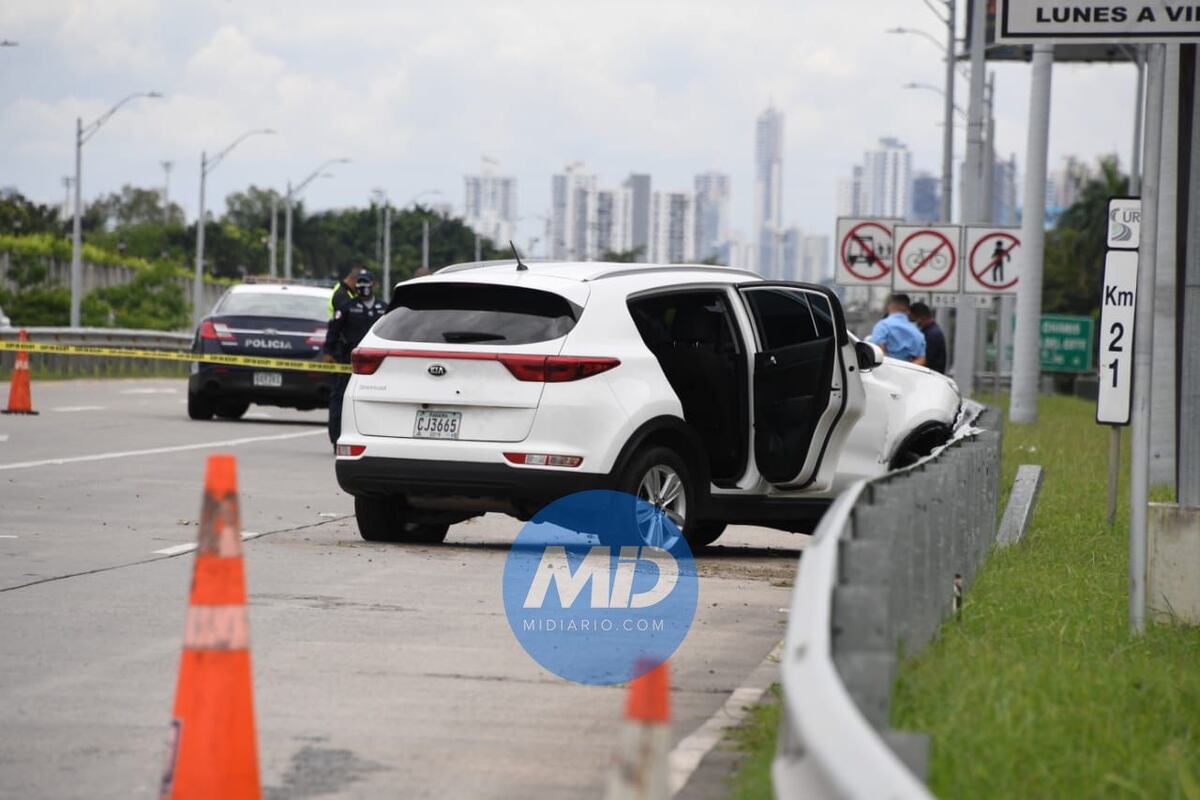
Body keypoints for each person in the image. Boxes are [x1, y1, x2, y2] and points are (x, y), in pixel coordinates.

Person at [325, 269, 388, 447]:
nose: (363, 287)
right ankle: (336, 438)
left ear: (374, 285)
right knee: (340, 398)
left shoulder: (384, 308)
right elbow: (333, 331)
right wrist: (328, 351)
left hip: (376, 364)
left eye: (366, 282)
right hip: (348, 361)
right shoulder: (347, 307)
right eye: (359, 283)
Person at [869, 293, 926, 365]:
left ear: (890, 306)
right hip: (909, 373)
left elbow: (878, 353)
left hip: (887, 373)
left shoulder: (882, 326)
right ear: (907, 309)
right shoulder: (917, 331)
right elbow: (922, 358)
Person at [909, 302, 947, 374]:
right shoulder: (931, 331)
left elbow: (925, 361)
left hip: (930, 377)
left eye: (912, 320)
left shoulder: (931, 335)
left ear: (922, 318)